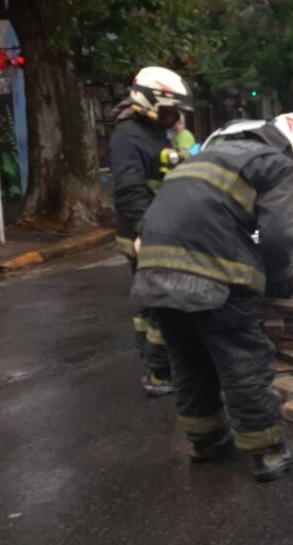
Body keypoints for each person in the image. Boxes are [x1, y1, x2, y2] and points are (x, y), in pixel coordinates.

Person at [130, 113, 293, 482]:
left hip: (154, 271)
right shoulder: (276, 164)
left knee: (189, 358)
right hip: (211, 273)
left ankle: (206, 440)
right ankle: (268, 451)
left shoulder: (203, 157)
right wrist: (281, 284)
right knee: (242, 357)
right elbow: (279, 236)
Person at [110, 66, 193, 396]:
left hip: (160, 230)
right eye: (170, 110)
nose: (174, 118)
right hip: (144, 235)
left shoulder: (154, 133)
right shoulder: (127, 137)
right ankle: (158, 373)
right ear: (149, 102)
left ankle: (158, 367)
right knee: (162, 306)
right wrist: (150, 230)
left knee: (151, 307)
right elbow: (130, 191)